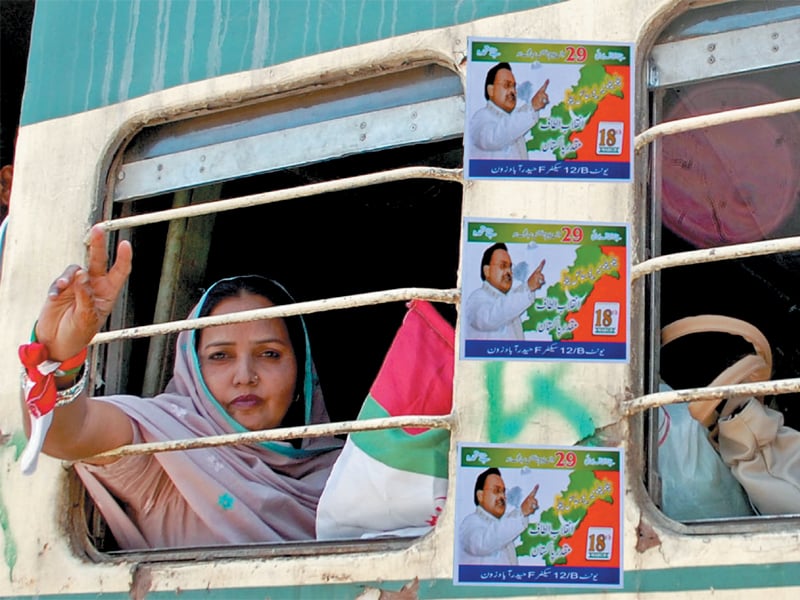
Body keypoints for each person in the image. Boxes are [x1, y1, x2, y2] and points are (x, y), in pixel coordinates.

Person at [18, 225, 343, 549]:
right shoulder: (168, 448)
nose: (245, 375)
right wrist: (58, 359)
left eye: (269, 354)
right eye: (220, 356)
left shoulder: (351, 473)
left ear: (302, 373)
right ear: (192, 369)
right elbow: (68, 432)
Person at [462, 242, 546, 340]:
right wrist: (529, 287)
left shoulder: (505, 300)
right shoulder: (476, 299)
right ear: (487, 271)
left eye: (510, 267)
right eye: (503, 266)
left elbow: (510, 299)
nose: (509, 272)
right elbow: (491, 317)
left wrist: (529, 287)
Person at [469, 62, 549, 160]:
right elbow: (495, 137)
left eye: (514, 86)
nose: (513, 91)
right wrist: (532, 107)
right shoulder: (481, 117)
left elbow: (516, 118)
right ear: (490, 90)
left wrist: (533, 107)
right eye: (507, 85)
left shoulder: (508, 119)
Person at [459, 467, 539, 565]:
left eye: (503, 491)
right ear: (480, 495)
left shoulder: (498, 525)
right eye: (496, 491)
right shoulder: (470, 523)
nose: (502, 496)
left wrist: (522, 513)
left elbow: (505, 523)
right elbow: (483, 543)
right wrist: (522, 512)